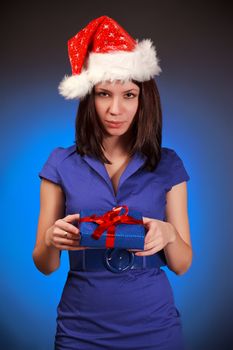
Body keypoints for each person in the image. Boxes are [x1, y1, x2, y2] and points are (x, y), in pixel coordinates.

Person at [32, 15, 192, 350]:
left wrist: (170, 234)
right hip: (80, 330)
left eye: (129, 95)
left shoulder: (169, 164)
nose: (115, 109)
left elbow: (182, 264)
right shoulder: (60, 163)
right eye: (104, 94)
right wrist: (50, 239)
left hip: (155, 328)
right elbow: (45, 265)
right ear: (89, 97)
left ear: (143, 99)